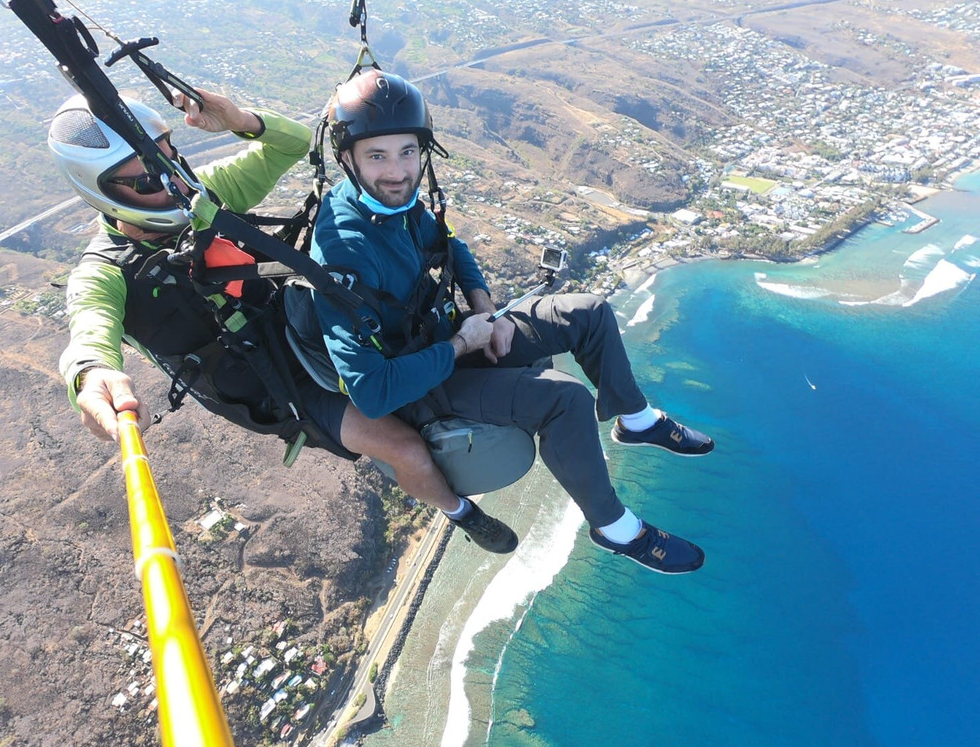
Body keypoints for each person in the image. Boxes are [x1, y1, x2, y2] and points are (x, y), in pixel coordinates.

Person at [49, 87, 517, 553]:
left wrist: (240, 119)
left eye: (170, 158)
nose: (171, 181)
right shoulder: (106, 274)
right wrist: (91, 377)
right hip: (279, 384)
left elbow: (292, 145)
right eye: (149, 181)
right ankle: (463, 513)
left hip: (303, 321)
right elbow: (89, 334)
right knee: (405, 447)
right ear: (102, 191)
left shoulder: (203, 195)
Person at [308, 70, 716, 574]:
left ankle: (636, 421)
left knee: (589, 312)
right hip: (422, 383)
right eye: (377, 156)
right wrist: (461, 344)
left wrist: (484, 308)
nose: (397, 171)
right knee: (566, 401)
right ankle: (615, 528)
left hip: (455, 335)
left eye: (407, 152)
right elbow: (370, 393)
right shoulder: (342, 252)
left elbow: (450, 245)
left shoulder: (398, 204)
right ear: (347, 159)